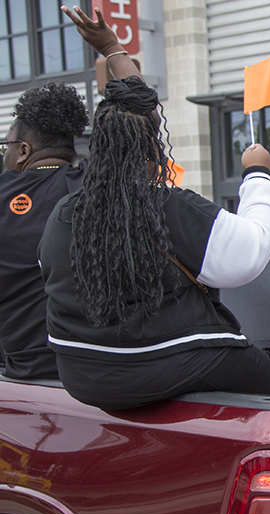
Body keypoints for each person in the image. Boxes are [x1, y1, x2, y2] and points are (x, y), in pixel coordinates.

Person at [38, 76, 270, 409]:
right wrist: (258, 174)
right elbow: (250, 251)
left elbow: (48, 272)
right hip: (164, 365)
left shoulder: (62, 214)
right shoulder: (168, 207)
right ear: (154, 147)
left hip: (82, 374)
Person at [0, 6, 142, 380]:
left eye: (7, 145)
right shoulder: (96, 185)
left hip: (27, 378)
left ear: (24, 150)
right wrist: (112, 46)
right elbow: (139, 120)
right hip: (100, 374)